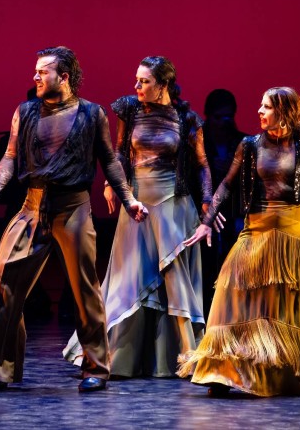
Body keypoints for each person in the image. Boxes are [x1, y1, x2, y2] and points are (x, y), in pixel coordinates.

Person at [0, 46, 148, 392]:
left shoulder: (91, 114)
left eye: (42, 72)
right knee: (4, 284)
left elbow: (109, 161)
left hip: (73, 207)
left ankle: (96, 367)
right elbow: (9, 158)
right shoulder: (25, 112)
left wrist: (129, 199)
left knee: (84, 291)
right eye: (35, 71)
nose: (35, 77)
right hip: (32, 206)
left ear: (64, 77)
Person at [177, 87, 300, 397]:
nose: (259, 112)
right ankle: (223, 369)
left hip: (294, 229)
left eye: (266, 107)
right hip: (257, 226)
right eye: (261, 105)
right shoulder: (250, 145)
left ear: (283, 112)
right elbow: (226, 185)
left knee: (284, 303)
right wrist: (207, 221)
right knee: (233, 293)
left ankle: (286, 370)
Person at [62, 56, 211, 378]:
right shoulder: (130, 110)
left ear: (164, 84)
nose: (136, 86)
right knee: (128, 279)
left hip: (173, 204)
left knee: (174, 277)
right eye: (137, 80)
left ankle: (189, 357)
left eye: (144, 81)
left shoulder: (186, 118)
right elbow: (118, 152)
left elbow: (201, 165)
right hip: (137, 206)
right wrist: (111, 185)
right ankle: (112, 357)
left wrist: (207, 204)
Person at [196, 88, 249, 317]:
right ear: (208, 115)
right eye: (218, 117)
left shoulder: (241, 141)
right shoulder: (198, 139)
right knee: (205, 262)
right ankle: (205, 312)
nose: (223, 122)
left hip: (231, 211)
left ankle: (230, 313)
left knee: (232, 262)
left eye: (228, 117)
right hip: (203, 211)